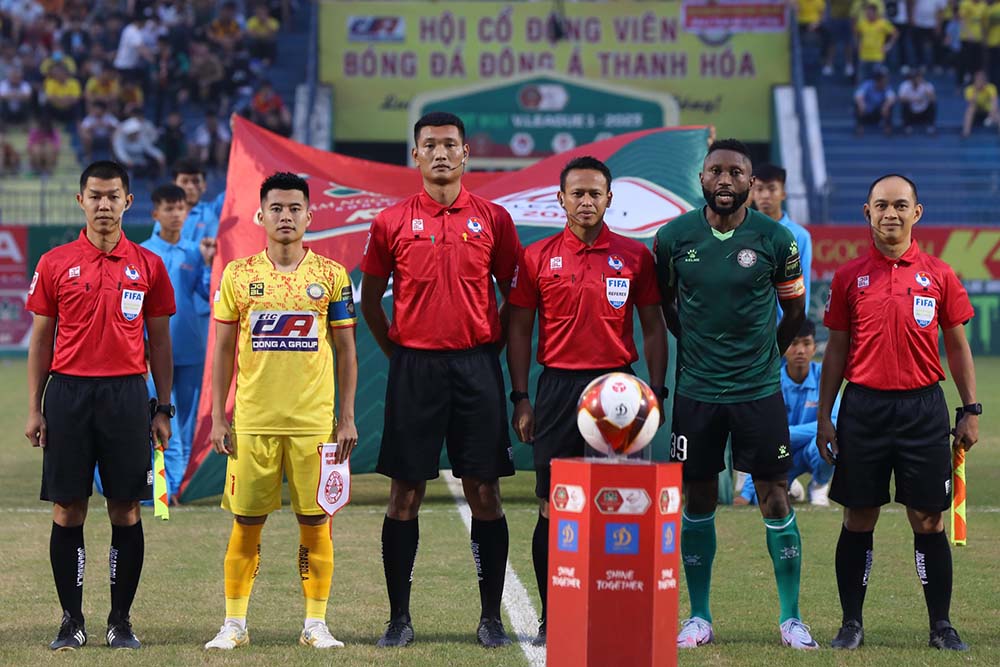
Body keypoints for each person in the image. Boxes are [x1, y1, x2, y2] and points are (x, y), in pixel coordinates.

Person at [360, 111, 521, 649]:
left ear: (466, 153)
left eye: (450, 144)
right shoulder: (391, 222)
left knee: (485, 492)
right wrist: (399, 353)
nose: (440, 153)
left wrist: (488, 351)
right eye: (429, 145)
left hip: (476, 368)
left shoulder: (494, 219)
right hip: (415, 369)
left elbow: (516, 298)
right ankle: (398, 619)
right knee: (404, 493)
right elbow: (370, 301)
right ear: (416, 155)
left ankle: (491, 618)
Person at [654, 139, 813, 650]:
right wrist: (692, 344)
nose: (725, 180)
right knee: (698, 497)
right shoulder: (673, 237)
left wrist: (767, 355)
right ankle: (699, 617)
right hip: (697, 391)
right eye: (716, 171)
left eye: (736, 173)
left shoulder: (776, 239)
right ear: (701, 179)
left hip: (757, 391)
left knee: (774, 495)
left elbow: (795, 311)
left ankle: (791, 619)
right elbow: (666, 304)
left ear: (750, 182)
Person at [507, 155, 668, 647]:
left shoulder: (635, 257)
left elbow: (654, 326)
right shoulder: (537, 256)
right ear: (560, 199)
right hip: (557, 389)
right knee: (553, 506)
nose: (585, 201)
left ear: (609, 199)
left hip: (618, 390)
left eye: (595, 193)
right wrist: (522, 397)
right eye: (576, 193)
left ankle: (617, 614)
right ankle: (554, 616)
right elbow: (519, 329)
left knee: (621, 506)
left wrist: (656, 392)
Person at [817, 174, 978, 651]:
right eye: (882, 205)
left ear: (917, 213)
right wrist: (825, 415)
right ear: (867, 212)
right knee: (858, 516)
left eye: (900, 205)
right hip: (863, 408)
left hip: (922, 410)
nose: (891, 213)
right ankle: (851, 624)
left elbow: (957, 346)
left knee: (928, 519)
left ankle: (941, 626)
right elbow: (836, 350)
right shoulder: (848, 277)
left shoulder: (939, 274)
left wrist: (970, 409)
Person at [24, 160, 176, 651]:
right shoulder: (54, 262)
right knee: (68, 508)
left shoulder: (149, 265)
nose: (104, 205)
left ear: (128, 202)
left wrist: (163, 408)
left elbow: (160, 343)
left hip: (126, 396)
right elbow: (40, 341)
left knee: (125, 508)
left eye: (113, 196)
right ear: (81, 201)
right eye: (95, 196)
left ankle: (120, 622)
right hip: (68, 395)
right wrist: (35, 408)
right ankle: (71, 621)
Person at [205, 172, 358, 650]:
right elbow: (222, 349)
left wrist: (347, 417)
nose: (286, 216)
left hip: (315, 427)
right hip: (253, 423)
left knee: (315, 524)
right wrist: (218, 415)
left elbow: (347, 351)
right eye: (277, 208)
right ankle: (234, 624)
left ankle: (315, 625)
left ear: (310, 216)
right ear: (260, 215)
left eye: (295, 208)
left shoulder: (332, 276)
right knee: (246, 524)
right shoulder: (238, 275)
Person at [141, 184, 214, 503]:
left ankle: (178, 488)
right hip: (153, 353)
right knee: (159, 418)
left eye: (180, 208)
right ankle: (161, 488)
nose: (175, 214)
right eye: (169, 209)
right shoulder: (143, 253)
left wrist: (209, 265)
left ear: (187, 212)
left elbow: (207, 294)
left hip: (190, 350)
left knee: (186, 423)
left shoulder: (194, 252)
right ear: (155, 213)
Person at [736, 320, 839, 507]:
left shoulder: (824, 376)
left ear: (814, 348)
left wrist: (786, 433)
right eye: (793, 344)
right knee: (761, 498)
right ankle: (791, 485)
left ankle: (818, 485)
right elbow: (764, 439)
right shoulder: (772, 382)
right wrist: (746, 493)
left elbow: (834, 422)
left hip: (812, 446)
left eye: (806, 344)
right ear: (783, 348)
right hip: (783, 451)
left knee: (832, 441)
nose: (800, 351)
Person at [750, 163, 813, 314]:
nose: (765, 195)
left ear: (783, 193)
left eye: (772, 189)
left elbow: (802, 288)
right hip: (749, 325)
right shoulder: (743, 232)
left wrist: (796, 323)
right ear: (752, 193)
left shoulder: (799, 236)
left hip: (784, 325)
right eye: (759, 189)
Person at [113, 114, 166, 179]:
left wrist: (159, 156)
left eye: (137, 133)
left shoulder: (141, 137)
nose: (136, 135)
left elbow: (150, 148)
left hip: (139, 160)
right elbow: (120, 152)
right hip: (125, 162)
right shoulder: (119, 138)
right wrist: (127, 160)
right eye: (134, 133)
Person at [855, 3, 897, 83]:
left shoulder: (882, 23)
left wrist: (888, 45)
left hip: (877, 56)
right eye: (866, 13)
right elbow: (856, 33)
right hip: (863, 55)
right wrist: (858, 44)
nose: (867, 15)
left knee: (876, 80)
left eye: (869, 13)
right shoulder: (862, 23)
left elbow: (895, 33)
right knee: (861, 80)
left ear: (875, 13)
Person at [854, 68, 896, 135]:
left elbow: (892, 98)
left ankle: (888, 128)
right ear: (879, 79)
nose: (886, 80)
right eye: (884, 78)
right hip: (866, 112)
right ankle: (859, 127)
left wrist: (886, 105)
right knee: (858, 104)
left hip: (878, 112)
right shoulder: (867, 85)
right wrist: (861, 103)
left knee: (889, 106)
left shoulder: (887, 87)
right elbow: (858, 95)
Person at [898, 67, 937, 133]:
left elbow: (934, 98)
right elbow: (901, 99)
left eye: (917, 77)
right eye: (914, 77)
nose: (915, 79)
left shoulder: (927, 85)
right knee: (904, 104)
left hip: (924, 113)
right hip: (911, 113)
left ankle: (931, 126)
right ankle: (907, 126)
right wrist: (914, 100)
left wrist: (925, 87)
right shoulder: (905, 85)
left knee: (932, 104)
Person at [961, 70, 1000, 136]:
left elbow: (994, 102)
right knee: (970, 109)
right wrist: (976, 91)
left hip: (988, 112)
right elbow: (971, 103)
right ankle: (966, 132)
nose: (979, 81)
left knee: (998, 114)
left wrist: (992, 112)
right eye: (978, 79)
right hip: (976, 112)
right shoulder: (969, 89)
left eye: (981, 79)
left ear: (985, 80)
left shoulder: (991, 87)